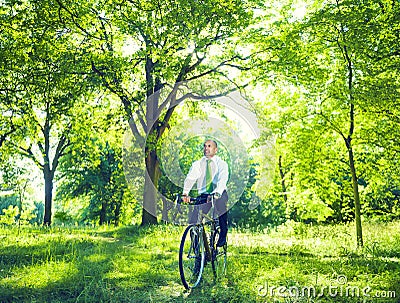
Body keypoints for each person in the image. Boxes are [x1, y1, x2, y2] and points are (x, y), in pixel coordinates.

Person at [182, 139, 229, 247]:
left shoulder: (222, 164)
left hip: (219, 193)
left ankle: (223, 233)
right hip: (204, 195)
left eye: (209, 146)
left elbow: (222, 180)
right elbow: (190, 178)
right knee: (194, 220)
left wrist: (216, 193)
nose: (206, 148)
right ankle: (199, 251)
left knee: (221, 205)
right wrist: (185, 193)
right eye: (205, 146)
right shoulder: (198, 164)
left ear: (215, 150)